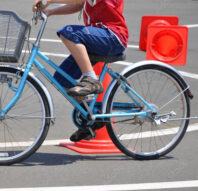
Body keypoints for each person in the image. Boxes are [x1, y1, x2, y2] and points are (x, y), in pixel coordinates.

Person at [33, 0, 128, 141]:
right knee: (61, 79)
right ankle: (89, 117)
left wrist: (49, 1)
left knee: (69, 32)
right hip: (98, 39)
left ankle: (91, 79)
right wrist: (51, 11)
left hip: (113, 36)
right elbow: (79, 5)